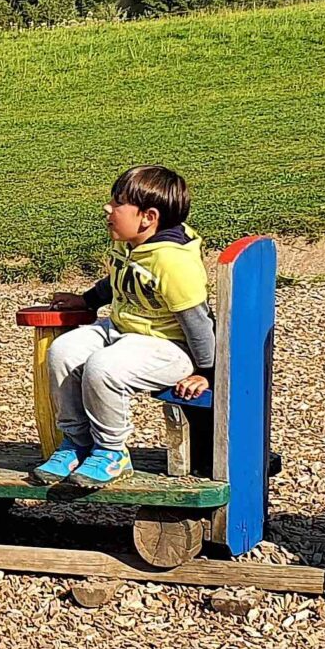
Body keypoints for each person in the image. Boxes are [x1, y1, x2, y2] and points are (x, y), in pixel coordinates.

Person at [31, 165, 215, 489]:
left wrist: (207, 373)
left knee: (104, 367)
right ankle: (77, 443)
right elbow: (119, 278)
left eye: (117, 203)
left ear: (148, 217)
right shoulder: (128, 243)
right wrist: (87, 301)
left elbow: (198, 324)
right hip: (121, 329)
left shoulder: (173, 262)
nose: (108, 208)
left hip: (170, 347)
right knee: (63, 351)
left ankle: (112, 451)